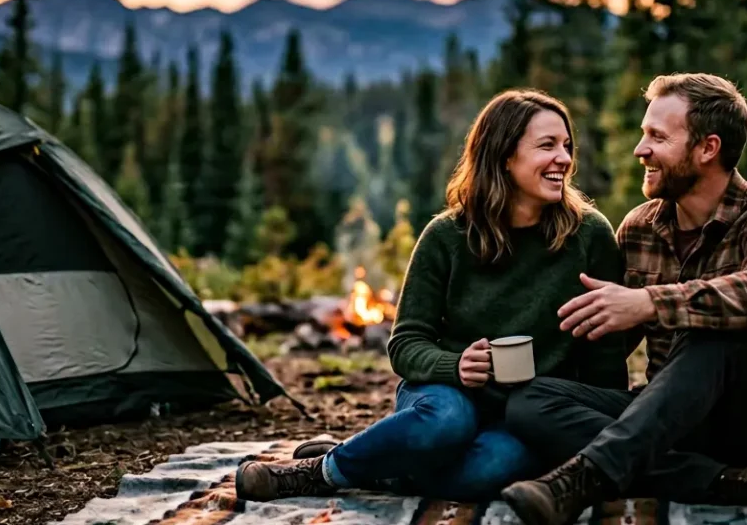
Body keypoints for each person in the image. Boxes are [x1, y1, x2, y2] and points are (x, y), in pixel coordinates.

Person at [235, 89, 630, 503]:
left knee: (487, 471)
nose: (564, 159)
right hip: (446, 394)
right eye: (547, 146)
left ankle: (371, 462)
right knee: (445, 423)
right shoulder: (446, 236)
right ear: (503, 156)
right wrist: (455, 365)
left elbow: (603, 350)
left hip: (529, 412)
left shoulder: (590, 234)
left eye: (567, 146)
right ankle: (319, 472)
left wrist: (597, 434)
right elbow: (405, 344)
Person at [498, 73, 747, 525]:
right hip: (674, 418)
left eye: (657, 137)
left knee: (713, 338)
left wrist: (650, 302)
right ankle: (727, 482)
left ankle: (580, 479)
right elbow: (604, 336)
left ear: (707, 148)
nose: (641, 150)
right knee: (529, 402)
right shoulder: (638, 228)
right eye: (642, 134)